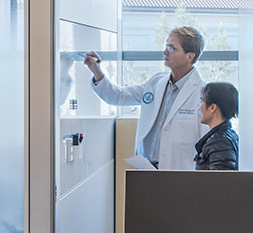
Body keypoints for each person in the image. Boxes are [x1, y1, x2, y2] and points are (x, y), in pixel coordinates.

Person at [84, 26, 207, 170]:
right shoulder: (155, 83)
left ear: (189, 56)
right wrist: (96, 70)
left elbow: (206, 144)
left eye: (171, 48)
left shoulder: (203, 93)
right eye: (166, 46)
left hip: (180, 173)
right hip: (145, 169)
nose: (165, 52)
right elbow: (118, 96)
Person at [193, 81, 240, 171]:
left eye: (201, 101)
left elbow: (219, 182)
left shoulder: (219, 143)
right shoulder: (227, 136)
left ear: (212, 108)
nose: (199, 107)